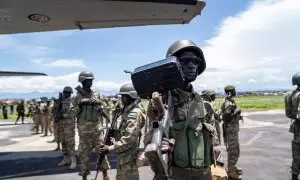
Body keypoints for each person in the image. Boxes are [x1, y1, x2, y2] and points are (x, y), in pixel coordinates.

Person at [145, 40, 214, 180]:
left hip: (203, 175)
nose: (192, 65)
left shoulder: (204, 104)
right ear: (172, 65)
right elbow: (149, 144)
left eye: (196, 61)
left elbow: (213, 143)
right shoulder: (161, 103)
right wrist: (159, 148)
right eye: (186, 61)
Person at [99, 84, 145, 180]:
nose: (121, 99)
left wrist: (110, 148)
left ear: (129, 97)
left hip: (128, 158)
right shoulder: (128, 110)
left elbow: (129, 139)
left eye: (123, 96)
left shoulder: (134, 114)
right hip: (124, 157)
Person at [72, 71, 110, 180]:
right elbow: (72, 113)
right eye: (88, 80)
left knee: (102, 152)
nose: (91, 82)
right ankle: (84, 176)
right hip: (84, 131)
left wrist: (98, 103)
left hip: (97, 129)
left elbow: (103, 105)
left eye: (91, 80)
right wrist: (81, 104)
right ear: (83, 81)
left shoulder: (96, 93)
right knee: (84, 155)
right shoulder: (76, 96)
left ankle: (105, 175)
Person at [221, 85, 242, 180]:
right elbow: (227, 116)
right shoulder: (228, 103)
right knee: (233, 149)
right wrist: (237, 111)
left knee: (235, 149)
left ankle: (232, 166)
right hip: (231, 130)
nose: (235, 91)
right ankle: (230, 171)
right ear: (229, 92)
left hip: (232, 129)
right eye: (233, 90)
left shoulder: (230, 101)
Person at [285, 72, 300, 180]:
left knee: (296, 154)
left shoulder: (290, 95)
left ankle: (294, 176)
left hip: (296, 128)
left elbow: (289, 114)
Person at [57, 86, 77, 169]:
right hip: (61, 125)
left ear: (70, 93)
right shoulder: (61, 102)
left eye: (67, 92)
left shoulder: (72, 101)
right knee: (63, 142)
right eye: (65, 92)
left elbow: (73, 113)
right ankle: (66, 159)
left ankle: (73, 160)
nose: (66, 94)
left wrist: (63, 115)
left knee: (70, 144)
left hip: (69, 126)